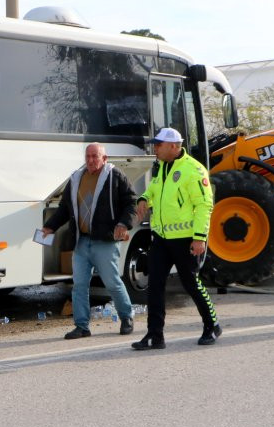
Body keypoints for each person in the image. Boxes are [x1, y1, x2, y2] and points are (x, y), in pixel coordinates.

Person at [131, 127, 221, 349]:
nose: (155, 148)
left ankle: (212, 325)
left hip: (186, 239)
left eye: (158, 145)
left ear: (173, 146)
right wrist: (144, 198)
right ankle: (155, 335)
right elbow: (154, 191)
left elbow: (204, 205)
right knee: (155, 285)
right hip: (161, 238)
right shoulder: (162, 167)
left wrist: (199, 238)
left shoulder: (194, 170)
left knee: (191, 284)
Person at [41, 143, 137, 339]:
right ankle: (82, 326)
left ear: (105, 158)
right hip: (81, 241)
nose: (91, 160)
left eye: (95, 156)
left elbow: (131, 202)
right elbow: (65, 208)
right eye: (88, 156)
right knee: (79, 285)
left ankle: (127, 317)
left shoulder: (115, 176)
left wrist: (123, 223)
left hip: (105, 241)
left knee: (112, 283)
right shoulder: (76, 178)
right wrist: (50, 226)